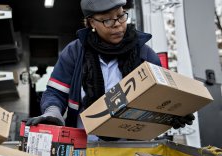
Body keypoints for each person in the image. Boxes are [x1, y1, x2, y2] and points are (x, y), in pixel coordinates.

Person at [26, 0, 194, 141]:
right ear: (92, 22)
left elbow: (159, 97)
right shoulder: (74, 53)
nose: (118, 26)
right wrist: (53, 114)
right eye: (108, 20)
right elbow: (56, 93)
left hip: (132, 145)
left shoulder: (145, 54)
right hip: (84, 144)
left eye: (121, 16)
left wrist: (172, 113)